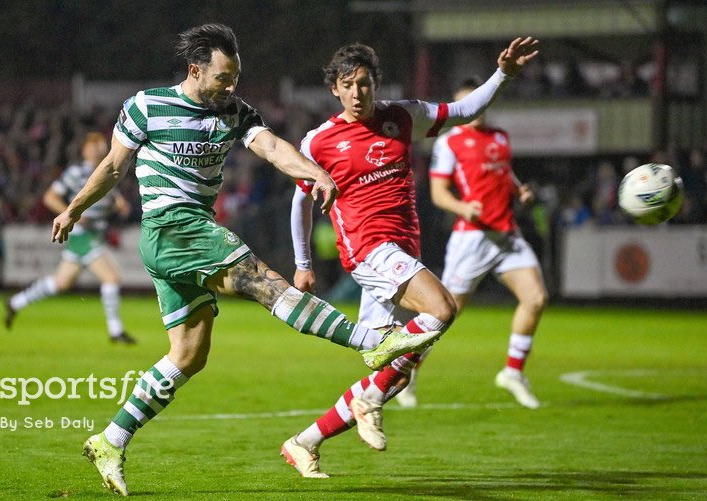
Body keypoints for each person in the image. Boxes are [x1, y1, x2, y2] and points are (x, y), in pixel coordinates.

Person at [50, 24, 441, 497]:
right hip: (174, 227)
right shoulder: (146, 105)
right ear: (196, 70)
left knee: (189, 355)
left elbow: (272, 147)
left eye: (236, 76)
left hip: (180, 241)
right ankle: (370, 344)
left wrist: (314, 171)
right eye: (223, 77)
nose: (231, 86)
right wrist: (73, 209)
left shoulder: (234, 110)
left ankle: (111, 440)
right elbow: (114, 166)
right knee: (262, 280)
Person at [282, 38, 539, 478]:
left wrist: (503, 74)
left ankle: (305, 441)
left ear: (375, 84)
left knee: (396, 372)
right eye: (349, 84)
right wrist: (303, 262)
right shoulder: (320, 141)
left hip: (402, 250)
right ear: (335, 90)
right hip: (368, 250)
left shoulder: (401, 116)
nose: (358, 92)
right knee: (442, 308)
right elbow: (300, 202)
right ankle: (368, 400)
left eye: (365, 83)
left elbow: (464, 112)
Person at [412, 77, 548, 411]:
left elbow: (505, 175)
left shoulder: (500, 137)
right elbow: (438, 194)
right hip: (472, 238)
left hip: (506, 235)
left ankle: (512, 373)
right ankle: (406, 370)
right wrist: (463, 208)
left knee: (536, 298)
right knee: (442, 315)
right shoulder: (450, 142)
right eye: (465, 104)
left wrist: (521, 192)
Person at [5, 132, 137, 344]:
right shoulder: (76, 172)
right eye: (92, 146)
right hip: (83, 235)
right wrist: (71, 213)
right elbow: (50, 197)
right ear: (84, 149)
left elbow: (109, 197)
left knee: (61, 283)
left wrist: (119, 204)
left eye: (100, 146)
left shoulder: (107, 170)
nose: (97, 150)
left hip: (93, 234)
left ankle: (15, 302)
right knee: (111, 277)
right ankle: (115, 331)